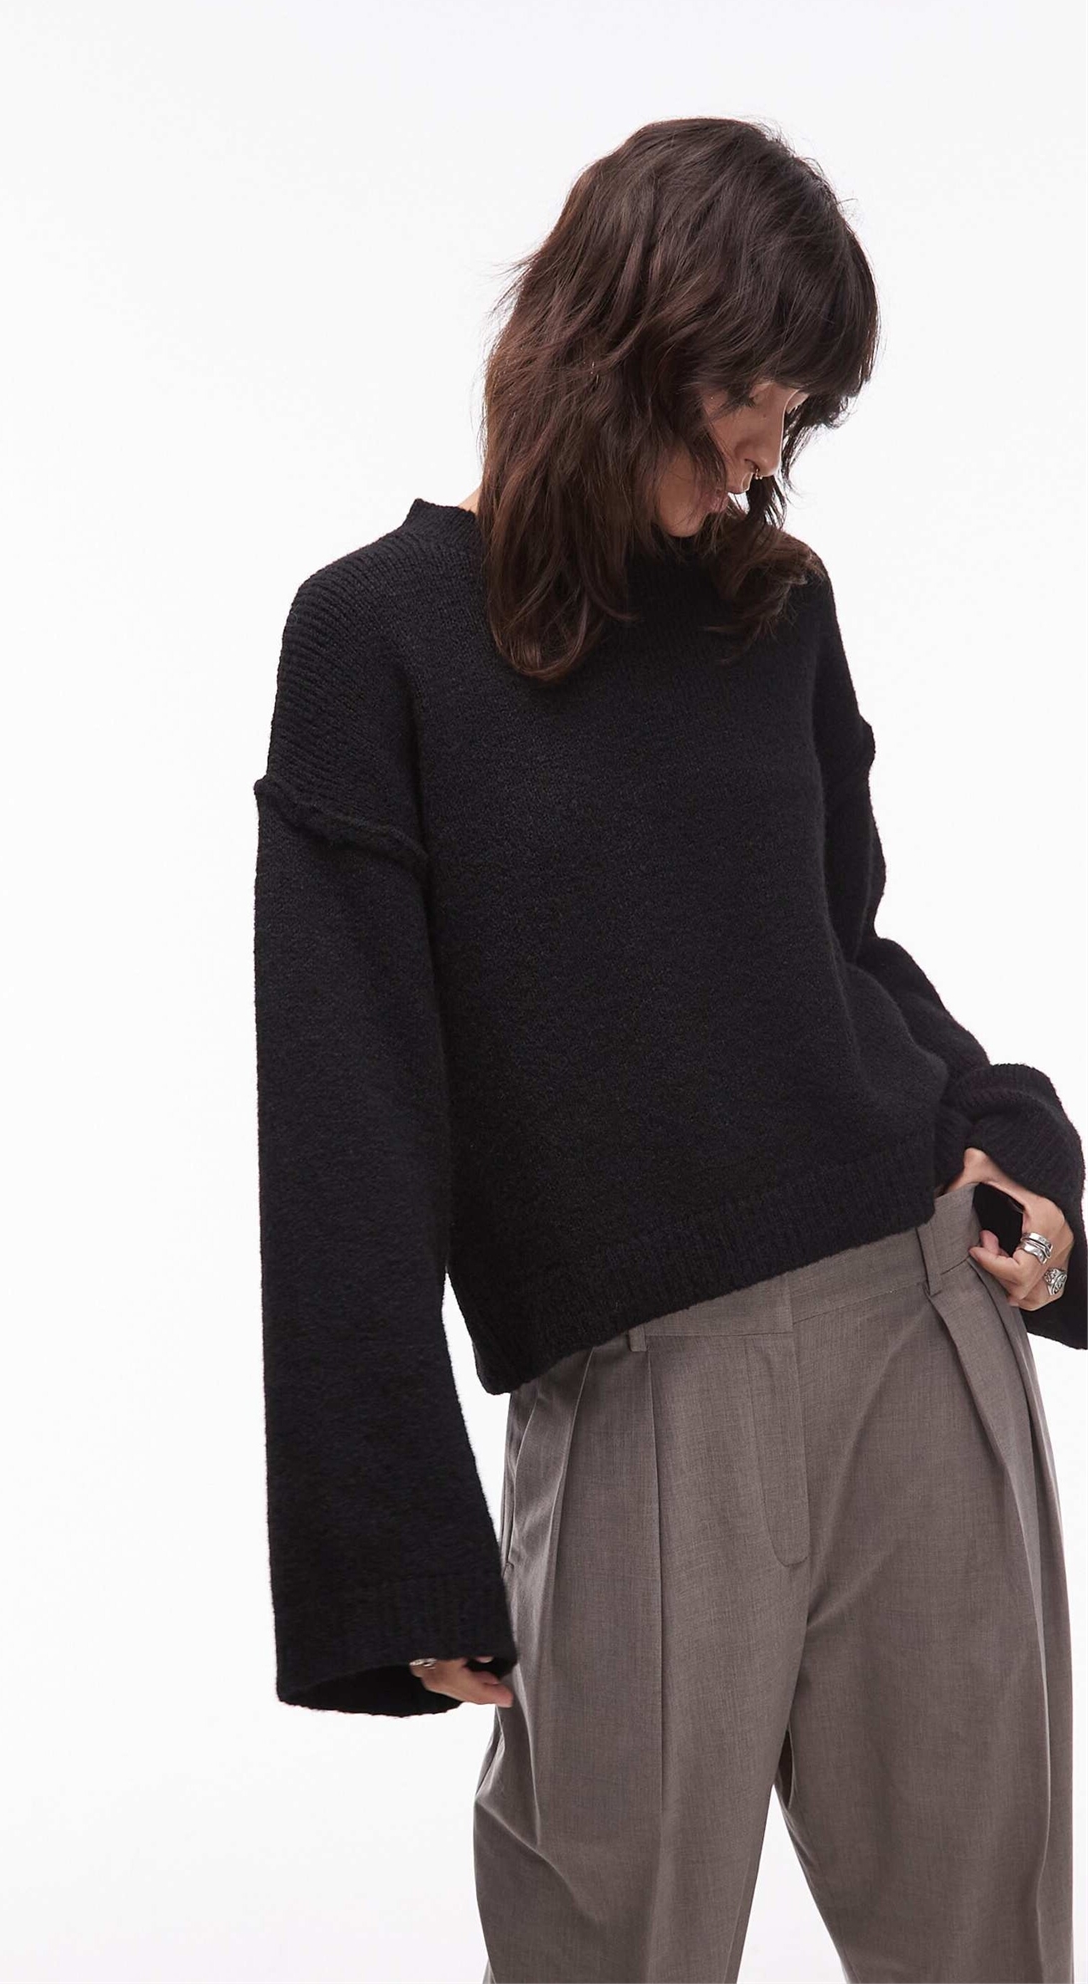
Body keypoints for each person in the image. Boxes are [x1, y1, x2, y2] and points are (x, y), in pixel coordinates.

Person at [250, 116, 1083, 1983]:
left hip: (913, 1330)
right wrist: (393, 1537)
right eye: (754, 396)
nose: (770, 451)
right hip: (637, 1397)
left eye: (800, 413)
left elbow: (838, 950)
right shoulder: (375, 641)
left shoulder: (772, 612)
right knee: (601, 1947)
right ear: (623, 341)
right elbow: (344, 1110)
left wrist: (1016, 1138)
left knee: (986, 1952)